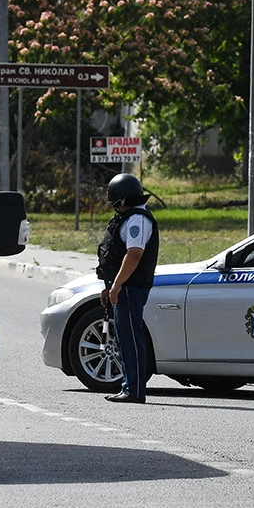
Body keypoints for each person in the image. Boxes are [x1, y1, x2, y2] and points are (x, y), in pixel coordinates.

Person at [95, 172, 159, 404]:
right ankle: (130, 386)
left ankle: (134, 390)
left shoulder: (137, 220)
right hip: (123, 287)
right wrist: (110, 285)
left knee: (130, 338)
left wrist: (118, 284)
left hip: (131, 288)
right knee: (124, 338)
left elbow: (134, 255)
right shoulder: (129, 218)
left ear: (122, 200)